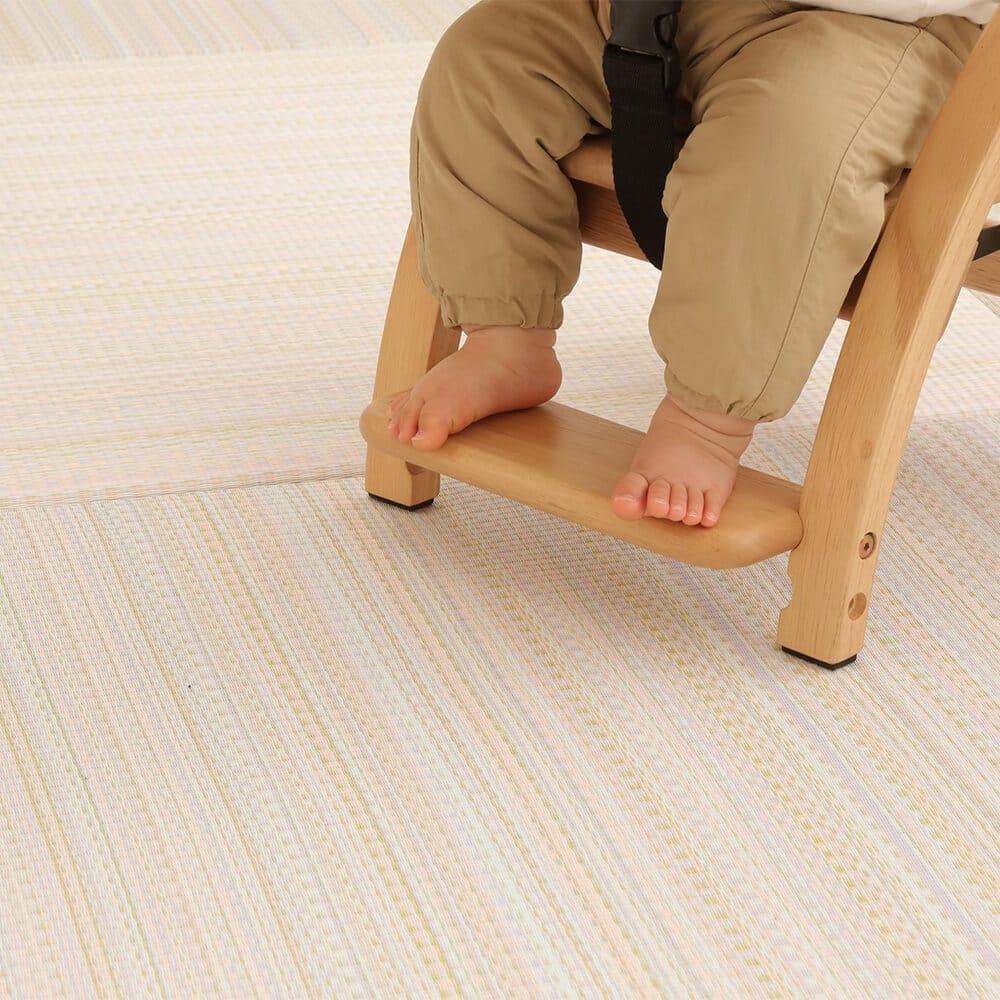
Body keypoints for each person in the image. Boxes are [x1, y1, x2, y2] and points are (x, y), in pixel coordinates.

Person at [388, 0, 993, 527]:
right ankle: (503, 339)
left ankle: (707, 421)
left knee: (780, 155)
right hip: (661, 8)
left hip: (878, 29)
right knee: (483, 63)